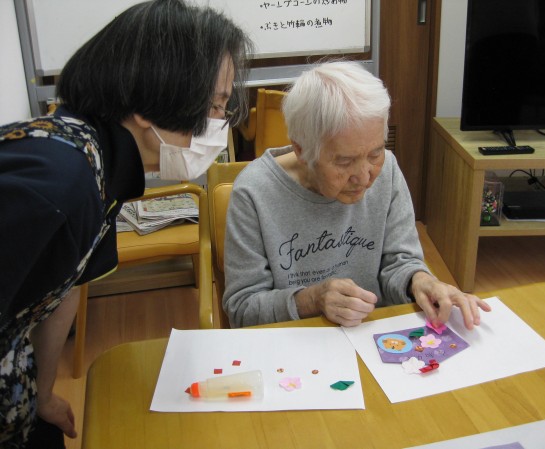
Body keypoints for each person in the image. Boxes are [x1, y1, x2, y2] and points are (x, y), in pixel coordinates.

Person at [0, 1, 252, 447]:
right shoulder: (59, 180)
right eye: (215, 104)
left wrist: (43, 395)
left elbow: (68, 285)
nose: (220, 122)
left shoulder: (104, 163)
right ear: (148, 106)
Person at [223, 60, 492, 330]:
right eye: (344, 161)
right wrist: (312, 300)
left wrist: (421, 281)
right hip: (298, 341)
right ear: (301, 150)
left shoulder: (387, 170)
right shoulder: (254, 192)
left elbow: (400, 262)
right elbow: (242, 309)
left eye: (375, 153)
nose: (364, 177)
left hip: (374, 334)